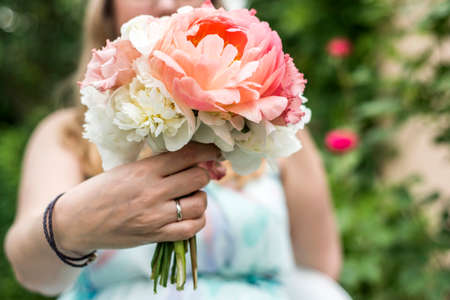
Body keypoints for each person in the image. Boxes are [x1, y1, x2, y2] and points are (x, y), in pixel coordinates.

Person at [4, 0, 350, 299]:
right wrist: (73, 224)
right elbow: (33, 272)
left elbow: (320, 267)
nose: (167, 3)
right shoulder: (66, 134)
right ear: (107, 9)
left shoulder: (274, 122)